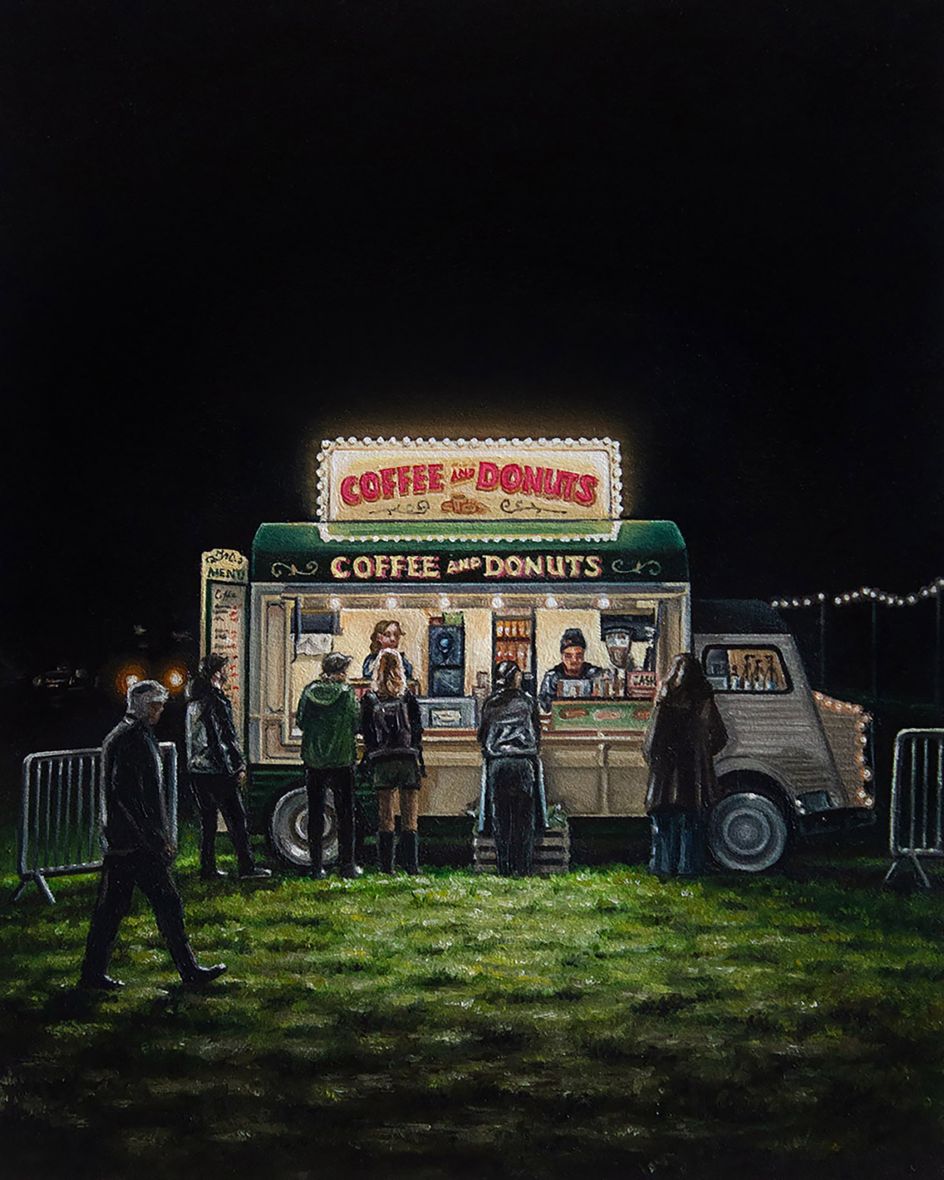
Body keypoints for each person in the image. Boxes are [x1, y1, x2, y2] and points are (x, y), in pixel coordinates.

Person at [78, 680, 227, 990]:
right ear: (144, 707)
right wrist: (155, 838)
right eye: (157, 705)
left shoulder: (126, 735)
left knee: (112, 909)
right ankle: (188, 970)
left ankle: (93, 973)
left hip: (124, 840)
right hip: (137, 842)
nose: (161, 710)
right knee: (166, 904)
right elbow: (131, 796)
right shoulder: (132, 738)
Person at [642, 652, 728, 879]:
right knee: (692, 824)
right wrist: (702, 754)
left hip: (665, 775)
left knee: (664, 825)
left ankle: (662, 868)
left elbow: (650, 743)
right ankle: (688, 868)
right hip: (694, 775)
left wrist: (656, 761)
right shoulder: (704, 700)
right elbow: (720, 736)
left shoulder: (664, 700)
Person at [185, 652, 271, 881]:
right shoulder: (215, 700)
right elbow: (223, 738)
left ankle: (208, 868)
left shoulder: (194, 699)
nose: (228, 673)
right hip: (218, 768)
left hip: (197, 769)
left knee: (208, 821)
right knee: (237, 819)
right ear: (216, 673)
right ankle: (246, 866)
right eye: (224, 669)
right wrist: (236, 766)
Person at [477, 660, 547, 876]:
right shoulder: (528, 701)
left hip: (498, 763)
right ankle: (523, 867)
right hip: (523, 762)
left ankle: (504, 867)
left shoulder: (490, 703)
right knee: (524, 819)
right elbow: (537, 733)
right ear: (516, 678)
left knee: (501, 818)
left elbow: (482, 735)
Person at [296, 652, 362, 879]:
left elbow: (301, 721)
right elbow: (356, 723)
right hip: (342, 759)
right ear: (341, 671)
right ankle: (347, 865)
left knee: (315, 813)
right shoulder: (347, 694)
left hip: (314, 760)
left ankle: (317, 867)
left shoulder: (309, 691)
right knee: (345, 814)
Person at [360, 649, 425, 874]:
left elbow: (366, 731)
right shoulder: (408, 697)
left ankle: (387, 867)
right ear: (400, 669)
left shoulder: (370, 699)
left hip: (383, 760)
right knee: (410, 816)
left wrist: (374, 750)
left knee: (385, 816)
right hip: (407, 759)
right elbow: (417, 729)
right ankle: (411, 865)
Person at [538, 627, 604, 711]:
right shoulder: (552, 677)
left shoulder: (595, 674)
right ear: (562, 656)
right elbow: (545, 707)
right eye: (568, 656)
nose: (574, 660)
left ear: (584, 655)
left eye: (579, 655)